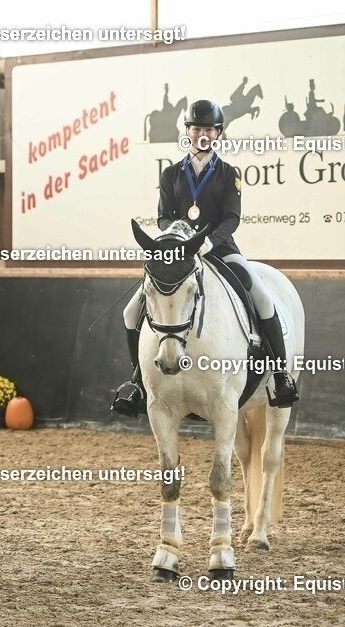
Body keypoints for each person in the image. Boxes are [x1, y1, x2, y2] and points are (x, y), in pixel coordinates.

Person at [112, 100, 298, 417]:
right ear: (188, 131)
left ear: (217, 134)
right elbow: (162, 218)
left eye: (208, 130)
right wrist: (178, 235)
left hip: (220, 249)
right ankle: (138, 382)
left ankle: (279, 375)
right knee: (132, 310)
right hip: (179, 252)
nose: (202, 134)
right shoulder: (171, 174)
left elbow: (232, 218)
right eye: (196, 129)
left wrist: (209, 241)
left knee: (261, 296)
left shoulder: (228, 174)